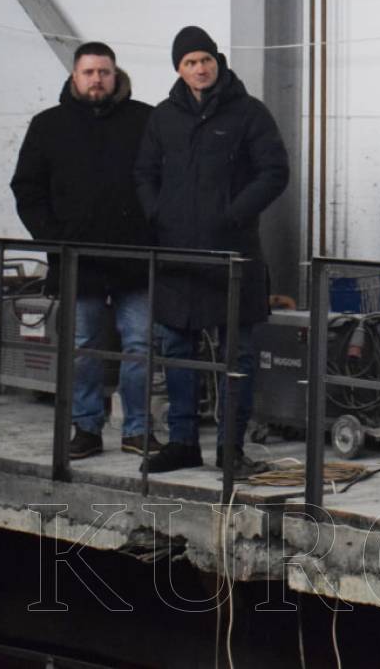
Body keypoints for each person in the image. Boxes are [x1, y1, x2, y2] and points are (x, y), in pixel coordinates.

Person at [134, 26, 290, 476]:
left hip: (233, 255)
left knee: (237, 356)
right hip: (178, 255)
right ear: (179, 70)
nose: (200, 68)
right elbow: (144, 172)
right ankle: (183, 443)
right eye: (190, 62)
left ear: (217, 61)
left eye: (205, 59)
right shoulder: (164, 117)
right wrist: (158, 212)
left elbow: (274, 171)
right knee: (177, 351)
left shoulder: (249, 113)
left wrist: (233, 214)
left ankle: (230, 450)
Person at [10, 41, 160, 460]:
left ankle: (137, 430)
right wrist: (54, 239)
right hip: (77, 260)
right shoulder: (48, 125)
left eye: (104, 72)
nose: (97, 79)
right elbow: (27, 189)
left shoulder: (145, 120)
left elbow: (164, 180)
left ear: (116, 75)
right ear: (74, 76)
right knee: (81, 349)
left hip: (136, 259)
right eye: (89, 72)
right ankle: (87, 428)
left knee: (140, 347)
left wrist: (155, 232)